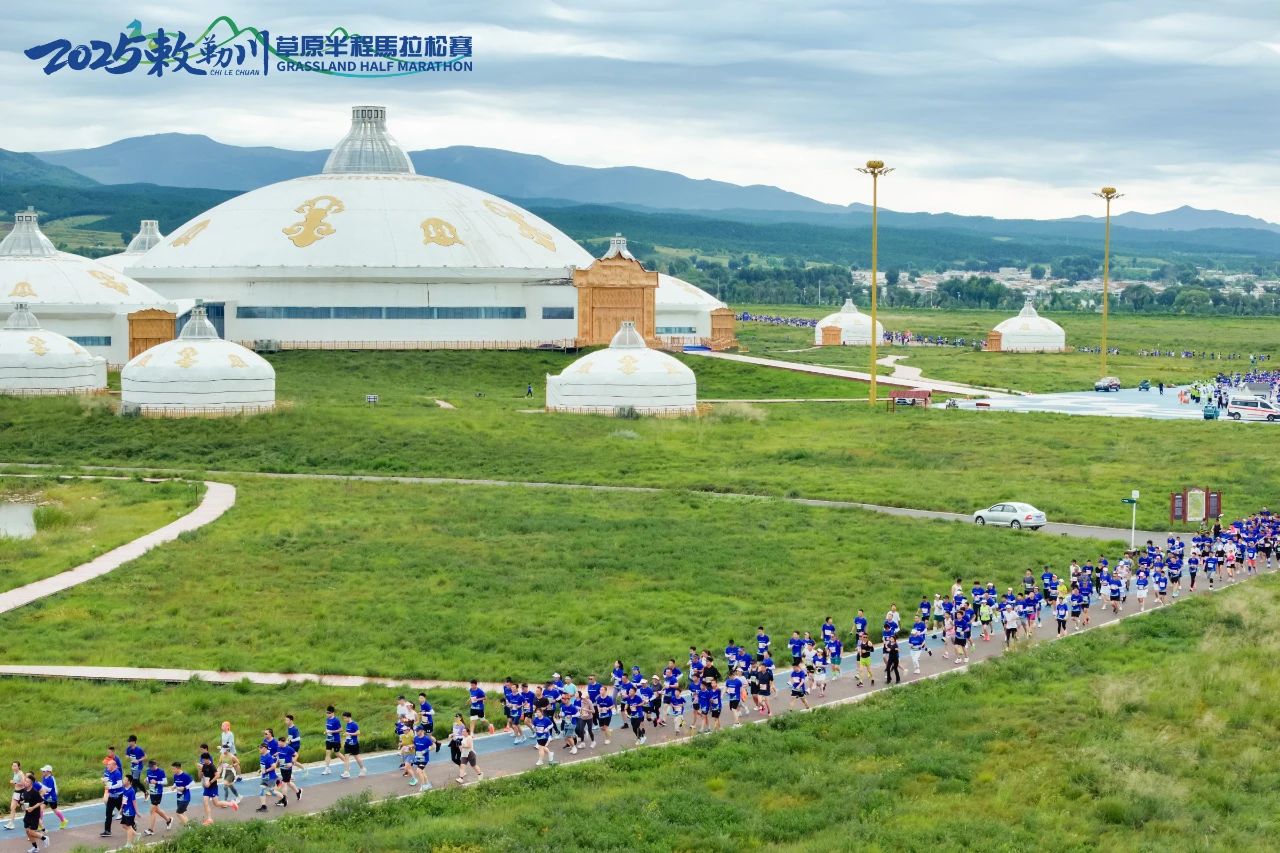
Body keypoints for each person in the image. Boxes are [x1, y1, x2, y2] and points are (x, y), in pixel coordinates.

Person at [198, 755, 237, 825]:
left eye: (203, 760)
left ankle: (231, 804)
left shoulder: (212, 766)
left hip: (213, 787)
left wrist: (210, 782)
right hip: (207, 788)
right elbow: (201, 776)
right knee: (205, 803)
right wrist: (200, 771)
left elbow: (217, 775)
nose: (202, 761)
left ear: (207, 759)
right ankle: (209, 819)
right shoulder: (204, 766)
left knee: (216, 803)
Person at [143, 760, 172, 836]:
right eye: (150, 767)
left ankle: (151, 830)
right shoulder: (148, 771)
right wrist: (146, 780)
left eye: (152, 767)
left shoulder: (161, 771)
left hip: (158, 793)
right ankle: (168, 820)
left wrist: (157, 782)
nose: (151, 768)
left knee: (152, 810)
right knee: (157, 810)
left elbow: (165, 782)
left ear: (155, 765)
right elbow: (148, 778)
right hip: (152, 792)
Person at [17, 775, 46, 853]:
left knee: (31, 832)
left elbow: (41, 802)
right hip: (27, 814)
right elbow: (22, 801)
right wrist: (21, 803)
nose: (25, 783)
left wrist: (32, 808)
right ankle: (35, 847)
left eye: (27, 782)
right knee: (27, 831)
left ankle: (44, 838)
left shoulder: (34, 792)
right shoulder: (24, 791)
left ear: (31, 783)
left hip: (34, 814)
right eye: (25, 781)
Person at [256, 743, 287, 811]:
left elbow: (274, 766)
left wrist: (266, 771)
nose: (259, 749)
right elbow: (263, 765)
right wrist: (260, 770)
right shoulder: (262, 756)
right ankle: (264, 806)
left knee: (267, 791)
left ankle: (283, 799)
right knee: (266, 791)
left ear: (264, 748)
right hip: (265, 776)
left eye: (260, 748)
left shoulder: (268, 757)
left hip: (270, 777)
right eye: (259, 747)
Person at [100, 756, 125, 838]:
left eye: (109, 765)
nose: (107, 766)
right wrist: (104, 781)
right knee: (108, 814)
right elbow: (109, 782)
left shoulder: (117, 773)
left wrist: (111, 787)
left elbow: (120, 784)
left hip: (118, 797)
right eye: (107, 765)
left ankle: (132, 824)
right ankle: (107, 831)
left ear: (113, 765)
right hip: (111, 797)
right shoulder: (109, 772)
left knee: (123, 812)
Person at [37, 766, 65, 831]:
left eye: (44, 771)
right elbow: (44, 788)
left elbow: (49, 789)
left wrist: (40, 785)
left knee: (55, 810)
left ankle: (63, 820)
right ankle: (40, 825)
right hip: (46, 796)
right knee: (41, 808)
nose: (42, 772)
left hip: (51, 797)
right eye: (42, 771)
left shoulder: (50, 779)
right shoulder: (44, 777)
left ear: (49, 772)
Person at [340, 712, 367, 778]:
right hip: (347, 743)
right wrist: (346, 734)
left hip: (354, 744)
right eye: (343, 718)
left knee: (357, 757)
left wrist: (349, 734)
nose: (344, 719)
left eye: (345, 718)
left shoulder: (354, 724)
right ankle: (346, 772)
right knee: (346, 757)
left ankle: (363, 769)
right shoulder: (347, 724)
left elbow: (358, 733)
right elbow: (348, 733)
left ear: (349, 717)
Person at [170, 763, 193, 829]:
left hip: (185, 797)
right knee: (182, 812)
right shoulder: (175, 775)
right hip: (179, 797)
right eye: (172, 769)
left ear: (178, 768)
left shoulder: (186, 775)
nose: (172, 770)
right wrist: (173, 786)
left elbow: (192, 783)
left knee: (178, 813)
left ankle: (188, 828)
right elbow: (176, 783)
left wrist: (184, 788)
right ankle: (189, 826)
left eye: (174, 769)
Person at [119, 775, 139, 848]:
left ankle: (129, 844)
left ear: (129, 782)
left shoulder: (131, 791)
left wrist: (137, 812)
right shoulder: (124, 789)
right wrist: (121, 808)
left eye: (125, 780)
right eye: (123, 779)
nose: (123, 781)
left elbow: (134, 802)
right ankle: (137, 835)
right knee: (124, 825)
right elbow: (124, 800)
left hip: (130, 812)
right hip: (125, 810)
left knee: (129, 827)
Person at [322, 706, 342, 775]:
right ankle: (327, 768)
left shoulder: (336, 720)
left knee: (337, 753)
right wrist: (326, 731)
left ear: (333, 713)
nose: (327, 714)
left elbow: (341, 729)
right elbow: (327, 728)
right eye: (326, 712)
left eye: (329, 713)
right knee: (327, 754)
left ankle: (346, 763)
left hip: (336, 740)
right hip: (328, 739)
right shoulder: (327, 719)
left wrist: (332, 731)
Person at [5, 761, 23, 831]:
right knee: (12, 807)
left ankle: (36, 821)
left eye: (15, 766)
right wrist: (14, 782)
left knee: (26, 809)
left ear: (19, 766)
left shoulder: (21, 773)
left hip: (21, 792)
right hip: (16, 792)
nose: (14, 767)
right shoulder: (15, 773)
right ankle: (11, 823)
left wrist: (14, 782)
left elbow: (24, 783)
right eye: (13, 766)